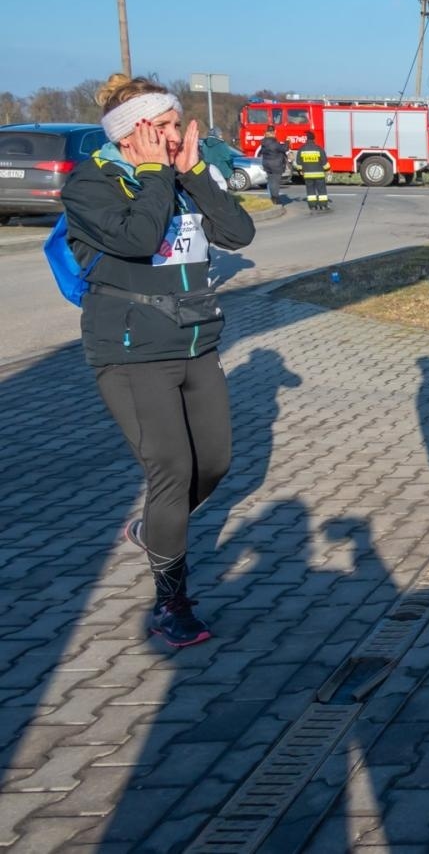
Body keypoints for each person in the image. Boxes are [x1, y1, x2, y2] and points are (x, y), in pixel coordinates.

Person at [61, 74, 256, 648]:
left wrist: (195, 174)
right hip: (130, 352)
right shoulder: (90, 186)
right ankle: (171, 603)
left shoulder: (179, 176)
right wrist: (155, 176)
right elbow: (139, 239)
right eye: (166, 128)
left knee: (213, 463)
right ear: (133, 134)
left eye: (176, 126)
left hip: (196, 341)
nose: (176, 137)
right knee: (170, 468)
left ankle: (153, 529)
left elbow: (239, 232)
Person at [299, 129, 330, 211]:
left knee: (310, 191)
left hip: (307, 175)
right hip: (319, 175)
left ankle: (312, 206)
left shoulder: (302, 149)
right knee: (322, 190)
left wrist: (301, 170)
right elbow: (325, 164)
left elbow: (298, 164)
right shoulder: (319, 149)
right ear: (314, 139)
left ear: (307, 139)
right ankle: (323, 205)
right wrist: (328, 170)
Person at [258, 129, 288, 205]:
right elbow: (285, 148)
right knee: (276, 182)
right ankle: (275, 198)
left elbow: (261, 153)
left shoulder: (263, 144)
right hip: (276, 165)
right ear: (272, 135)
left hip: (267, 165)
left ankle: (272, 197)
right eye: (274, 134)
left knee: (271, 181)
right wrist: (287, 142)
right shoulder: (274, 144)